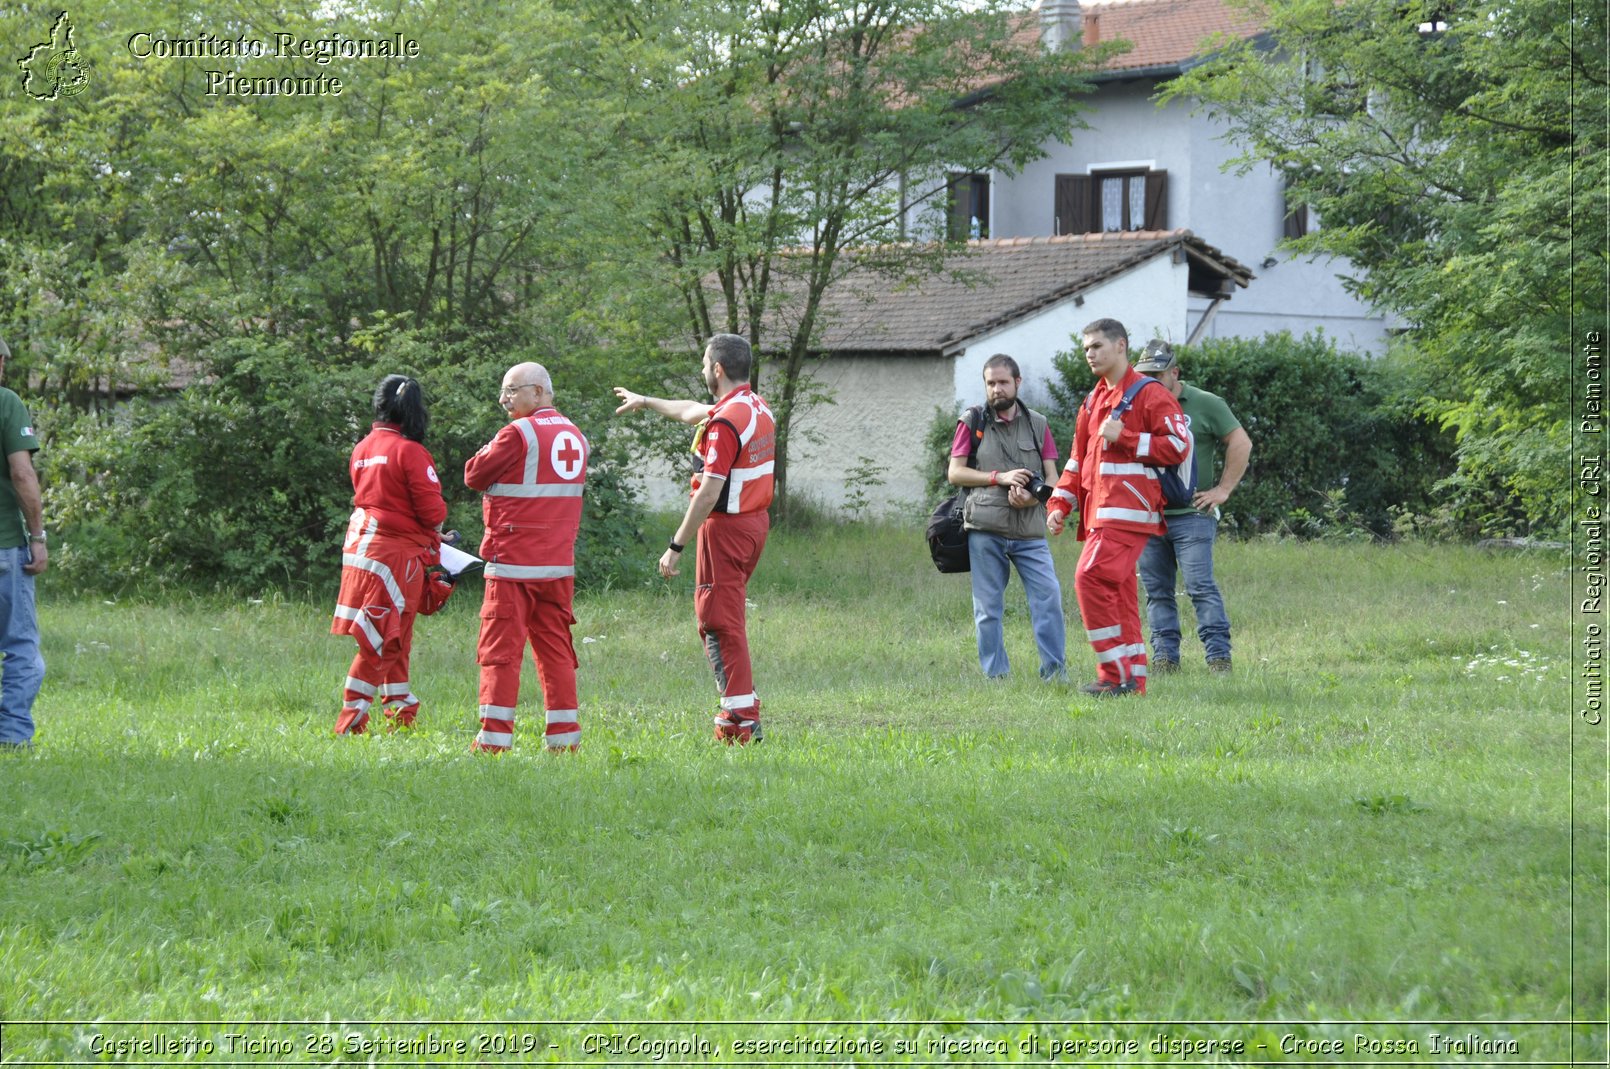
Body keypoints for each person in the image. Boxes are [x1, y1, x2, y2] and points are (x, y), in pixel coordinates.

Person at [612, 333, 774, 744]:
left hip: (727, 530)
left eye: (704, 364)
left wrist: (676, 545)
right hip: (754, 525)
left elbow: (708, 491)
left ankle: (739, 718)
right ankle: (741, 704)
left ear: (717, 370)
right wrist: (645, 400)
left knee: (718, 620)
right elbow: (689, 411)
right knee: (728, 615)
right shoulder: (752, 407)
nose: (702, 370)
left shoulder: (725, 421)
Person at [1045, 319, 1190, 697]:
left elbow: (1178, 446)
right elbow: (1078, 460)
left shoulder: (1150, 394)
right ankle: (1134, 681)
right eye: (1086, 349)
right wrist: (1061, 500)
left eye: (1097, 346)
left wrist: (1125, 437)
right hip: (1099, 513)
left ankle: (1113, 674)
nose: (1090, 354)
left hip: (1127, 512)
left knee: (1089, 578)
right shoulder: (1093, 399)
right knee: (1119, 594)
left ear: (1121, 346)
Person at [465, 362, 588, 753]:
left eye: (512, 390)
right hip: (557, 566)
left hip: (513, 563)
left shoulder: (517, 434)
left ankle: (493, 742)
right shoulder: (576, 435)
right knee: (557, 652)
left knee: (500, 653)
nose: (504, 400)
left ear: (538, 392)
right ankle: (564, 741)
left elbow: (473, 474)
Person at [331, 375, 450, 735]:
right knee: (380, 641)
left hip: (362, 551)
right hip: (395, 559)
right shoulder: (409, 451)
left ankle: (400, 713)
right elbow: (432, 513)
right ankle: (350, 722)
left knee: (393, 637)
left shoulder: (362, 447)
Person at [1132, 340, 1252, 673]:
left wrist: (1222, 490)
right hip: (1149, 517)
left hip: (1193, 517)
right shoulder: (1137, 404)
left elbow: (1241, 441)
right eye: (1144, 375)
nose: (1151, 382)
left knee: (1200, 586)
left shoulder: (1204, 403)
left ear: (1175, 372)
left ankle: (1218, 658)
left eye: (1157, 374)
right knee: (1157, 592)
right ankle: (1165, 659)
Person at [946, 354, 1067, 681]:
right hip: (986, 528)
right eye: (990, 383)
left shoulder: (1038, 423)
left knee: (1049, 600)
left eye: (1002, 382)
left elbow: (1054, 479)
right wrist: (998, 477)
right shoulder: (972, 421)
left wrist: (1031, 498)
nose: (996, 389)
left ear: (1017, 382)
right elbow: (955, 473)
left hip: (1030, 531)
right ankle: (996, 678)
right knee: (987, 609)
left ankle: (1055, 676)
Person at [0, 337, 45, 751]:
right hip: (4, 549)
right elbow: (22, 475)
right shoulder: (6, 402)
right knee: (20, 648)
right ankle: (13, 740)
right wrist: (38, 537)